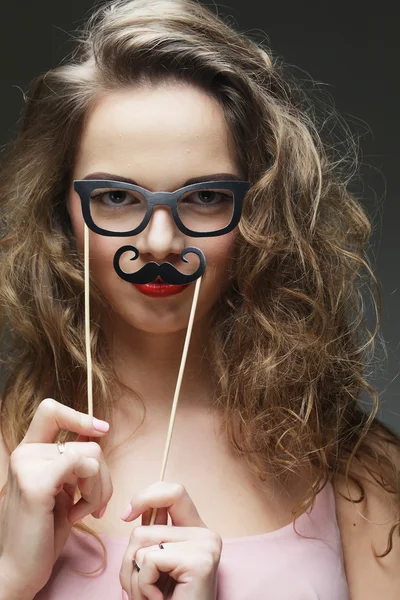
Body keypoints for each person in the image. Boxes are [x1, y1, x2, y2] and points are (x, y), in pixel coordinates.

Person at [0, 0, 399, 599]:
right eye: (115, 198)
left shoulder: (361, 470)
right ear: (63, 210)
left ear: (262, 214)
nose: (160, 242)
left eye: (205, 197)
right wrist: (9, 577)